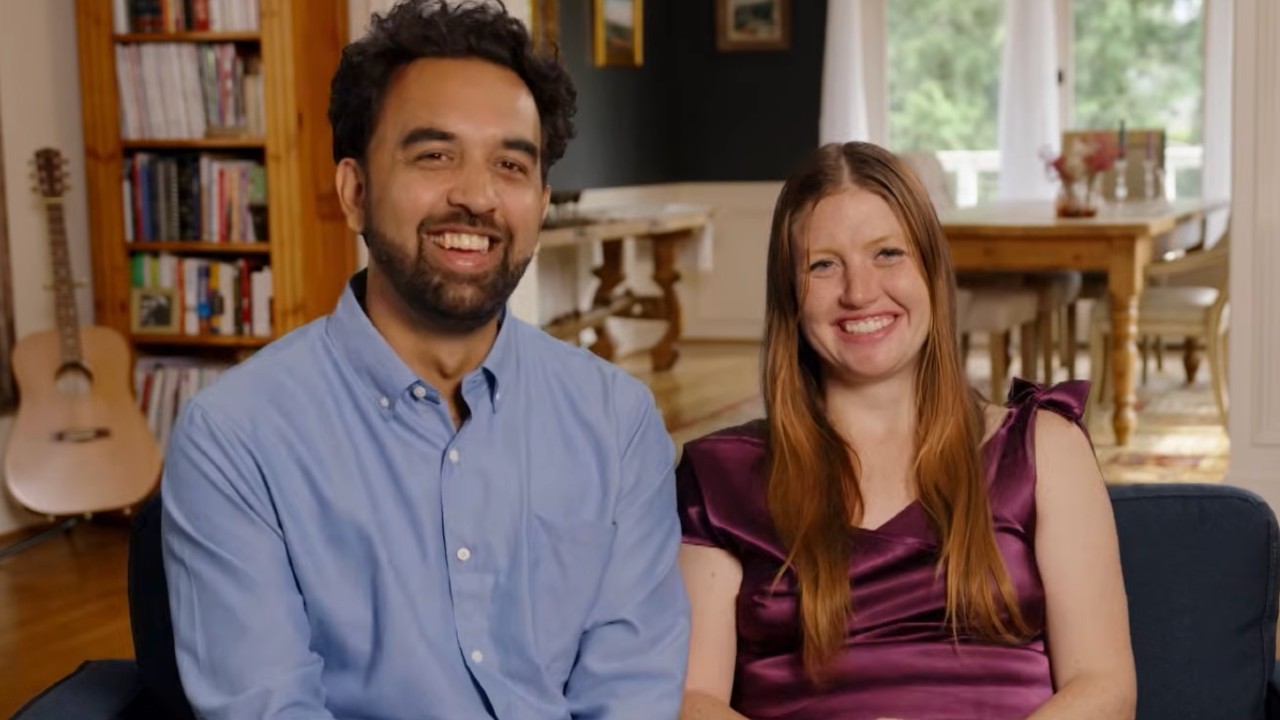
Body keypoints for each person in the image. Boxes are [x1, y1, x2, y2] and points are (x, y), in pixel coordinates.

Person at [159, 2, 689, 718]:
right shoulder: (235, 437)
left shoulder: (618, 422)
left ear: (540, 203)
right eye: (435, 155)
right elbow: (269, 707)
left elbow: (631, 694)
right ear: (355, 192)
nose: (476, 196)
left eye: (510, 164)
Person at [675, 142, 1136, 720]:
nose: (859, 291)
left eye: (888, 253)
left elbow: (1104, 687)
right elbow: (691, 700)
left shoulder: (1045, 446)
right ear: (790, 294)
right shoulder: (718, 479)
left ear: (932, 270)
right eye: (823, 265)